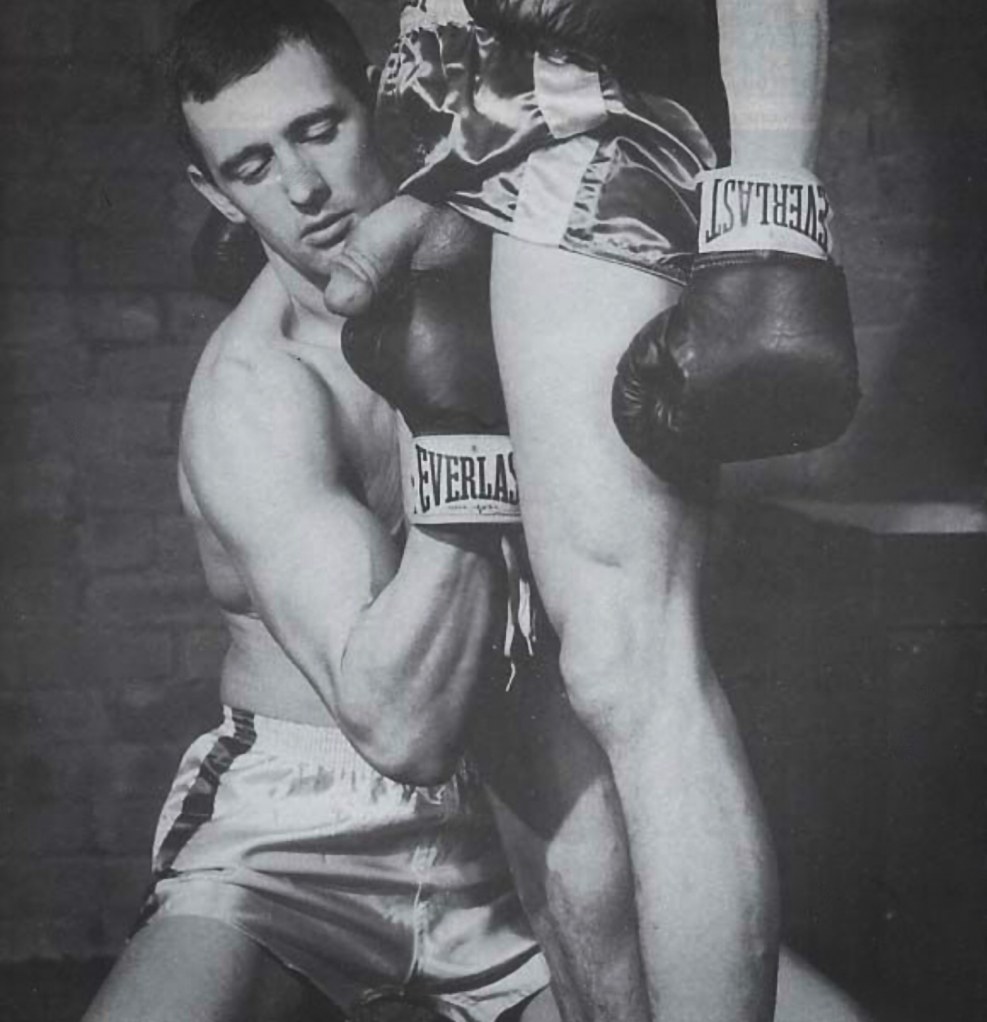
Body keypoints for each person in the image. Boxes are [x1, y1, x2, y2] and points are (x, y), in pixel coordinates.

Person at [85, 2, 870, 1021]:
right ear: (217, 195)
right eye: (252, 166)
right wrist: (457, 426)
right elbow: (401, 728)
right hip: (295, 838)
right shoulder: (254, 395)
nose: (304, 187)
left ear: (380, 100)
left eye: (320, 128)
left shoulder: (536, 262)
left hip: (509, 824)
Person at [323, 2, 858, 1021]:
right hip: (474, 147)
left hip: (599, 147)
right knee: (522, 700)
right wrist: (428, 187)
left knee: (628, 661)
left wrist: (774, 198)